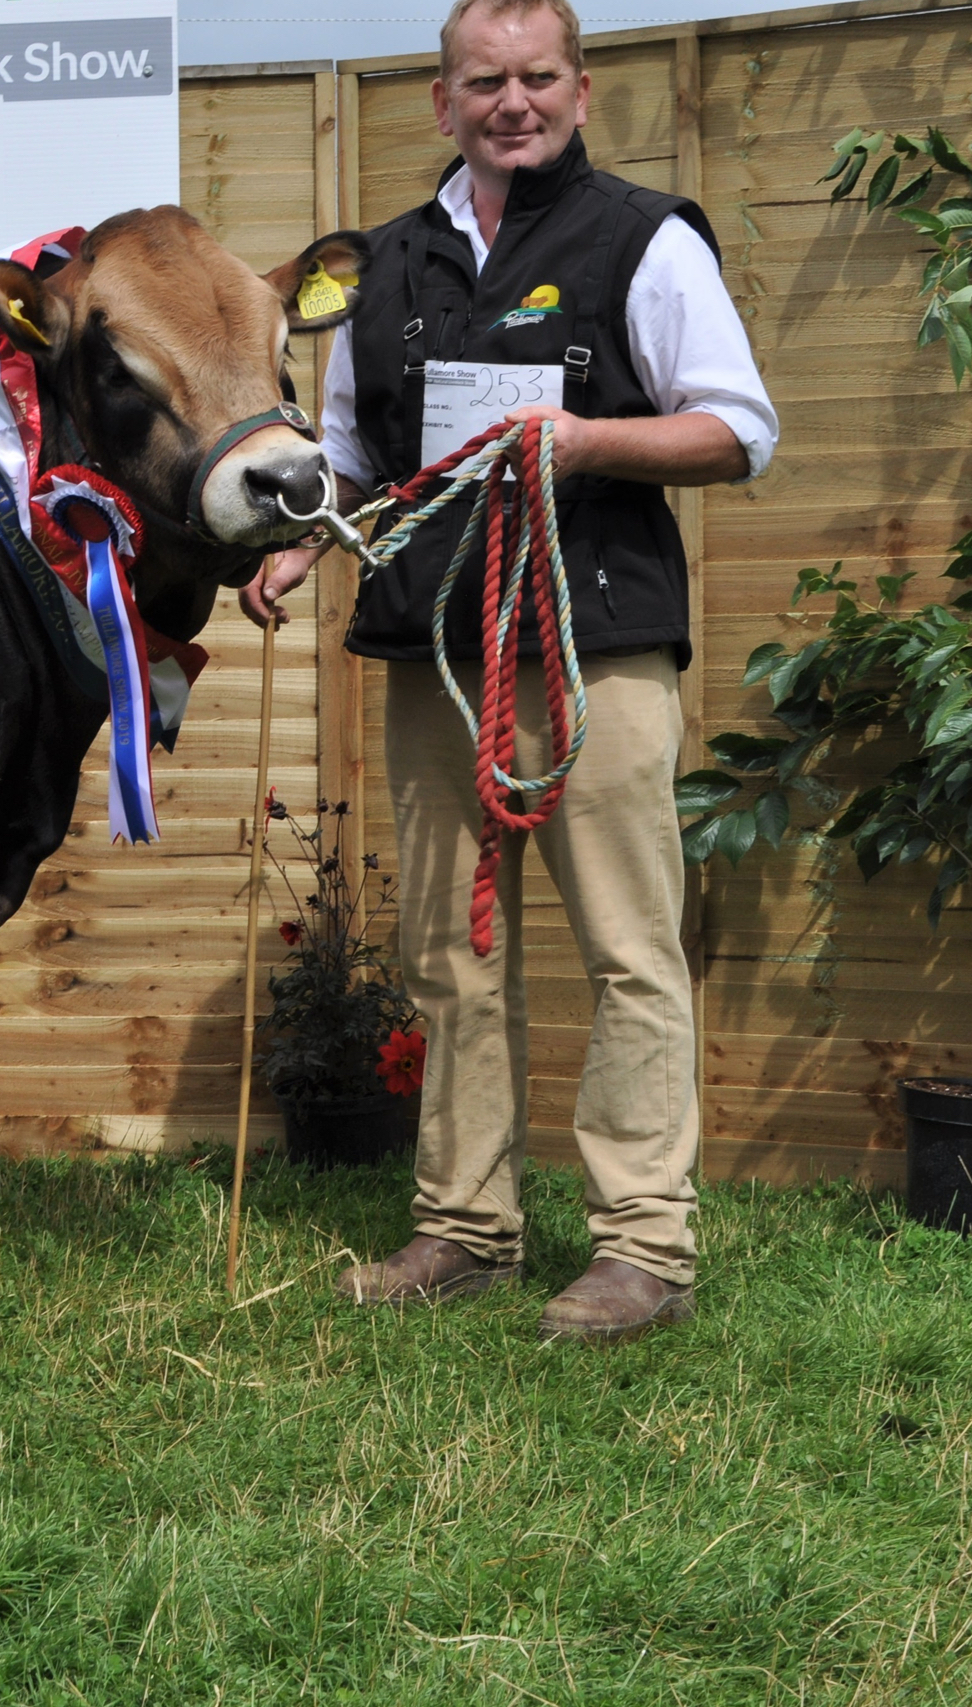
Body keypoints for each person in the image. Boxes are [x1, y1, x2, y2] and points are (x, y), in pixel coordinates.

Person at [247, 0, 778, 1342]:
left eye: (538, 78)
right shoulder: (384, 264)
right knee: (449, 953)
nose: (512, 103)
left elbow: (736, 431)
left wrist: (584, 444)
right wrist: (312, 547)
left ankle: (643, 1248)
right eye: (485, 81)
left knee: (629, 953)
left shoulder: (646, 239)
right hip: (432, 643)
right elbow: (365, 454)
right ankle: (466, 1229)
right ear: (443, 102)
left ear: (581, 91)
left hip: (595, 647)